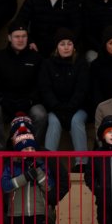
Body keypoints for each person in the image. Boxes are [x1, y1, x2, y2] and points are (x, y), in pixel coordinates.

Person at [0, 115, 68, 224]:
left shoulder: (41, 164)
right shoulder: (11, 166)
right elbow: (5, 185)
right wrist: (25, 177)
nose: (29, 151)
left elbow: (49, 187)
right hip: (17, 213)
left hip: (38, 212)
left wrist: (38, 173)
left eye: (32, 148)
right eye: (25, 148)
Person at [0, 24, 47, 148]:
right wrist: (1, 99)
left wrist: (30, 101)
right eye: (17, 36)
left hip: (28, 103)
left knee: (40, 114)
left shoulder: (36, 58)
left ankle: (32, 151)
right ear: (9, 38)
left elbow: (41, 84)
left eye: (24, 36)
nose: (20, 39)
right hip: (3, 102)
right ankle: (0, 153)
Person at [38, 28, 90, 166]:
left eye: (69, 44)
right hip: (55, 108)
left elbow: (82, 90)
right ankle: (48, 165)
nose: (66, 47)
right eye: (62, 44)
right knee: (54, 122)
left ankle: (82, 165)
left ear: (74, 47)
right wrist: (58, 107)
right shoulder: (47, 64)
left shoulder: (81, 64)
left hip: (78, 108)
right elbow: (46, 89)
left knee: (76, 121)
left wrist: (70, 108)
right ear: (56, 47)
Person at [14, 0, 82, 52]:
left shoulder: (71, 2)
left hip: (61, 48)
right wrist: (29, 41)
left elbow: (77, 28)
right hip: (35, 46)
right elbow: (20, 22)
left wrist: (67, 44)